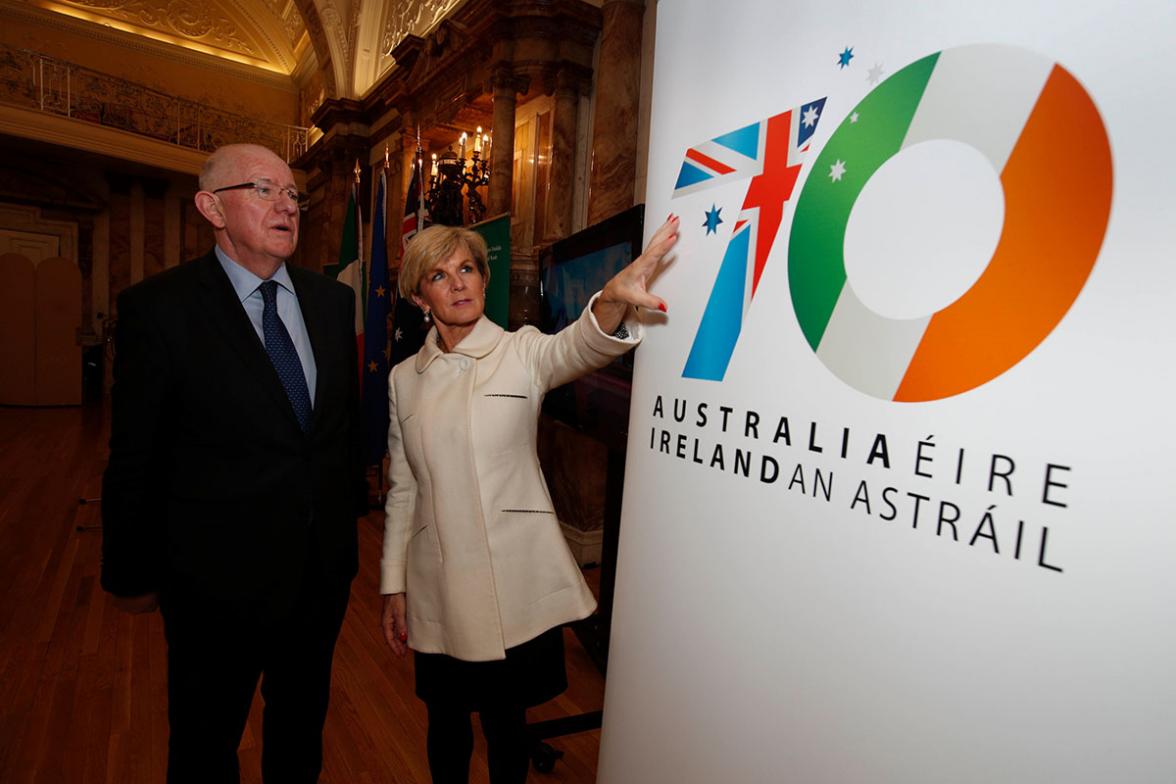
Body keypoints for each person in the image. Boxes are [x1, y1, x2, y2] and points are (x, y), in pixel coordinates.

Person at [379, 215, 680, 783]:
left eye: (467, 268)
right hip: (435, 583)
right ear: (421, 296)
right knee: (444, 728)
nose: (459, 283)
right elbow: (404, 489)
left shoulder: (522, 351)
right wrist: (393, 582)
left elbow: (579, 346)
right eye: (440, 276)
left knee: (504, 730)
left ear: (483, 278)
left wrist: (611, 300)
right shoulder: (402, 379)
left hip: (507, 585)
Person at [101, 143, 366, 783]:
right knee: (203, 745)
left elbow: (334, 433)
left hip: (317, 574)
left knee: (300, 733)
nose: (287, 206)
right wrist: (129, 574)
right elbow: (136, 451)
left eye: (293, 195)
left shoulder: (330, 302)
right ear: (210, 207)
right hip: (213, 583)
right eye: (264, 189)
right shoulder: (159, 309)